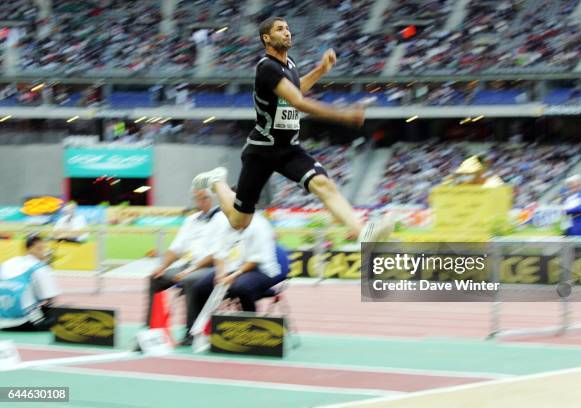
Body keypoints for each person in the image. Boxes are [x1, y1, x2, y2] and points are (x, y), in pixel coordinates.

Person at [192, 16, 394, 242]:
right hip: (262, 151)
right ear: (267, 38)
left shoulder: (290, 65)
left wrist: (321, 70)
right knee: (239, 221)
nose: (287, 32)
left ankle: (363, 234)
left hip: (288, 149)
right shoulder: (266, 67)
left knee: (323, 183)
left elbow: (295, 89)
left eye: (288, 28)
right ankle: (218, 180)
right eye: (280, 29)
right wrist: (344, 114)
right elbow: (297, 101)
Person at [145, 187, 224, 345]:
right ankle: (152, 329)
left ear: (212, 199)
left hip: (211, 268)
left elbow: (217, 254)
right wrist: (162, 266)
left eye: (203, 198)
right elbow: (176, 248)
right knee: (155, 278)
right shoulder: (191, 220)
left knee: (189, 280)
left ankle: (191, 333)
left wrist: (190, 270)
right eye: (197, 199)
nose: (199, 202)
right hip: (189, 265)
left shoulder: (222, 219)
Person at [192, 211, 284, 313]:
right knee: (200, 287)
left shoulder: (260, 225)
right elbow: (219, 252)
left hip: (261, 270)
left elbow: (254, 261)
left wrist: (232, 276)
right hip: (233, 268)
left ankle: (251, 324)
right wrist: (220, 274)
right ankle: (202, 325)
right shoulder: (230, 222)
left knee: (241, 288)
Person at [0, 235, 61, 331]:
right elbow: (50, 297)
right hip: (24, 322)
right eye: (42, 248)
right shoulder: (39, 267)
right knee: (61, 316)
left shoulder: (8, 262)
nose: (45, 253)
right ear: (32, 248)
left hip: (2, 322)